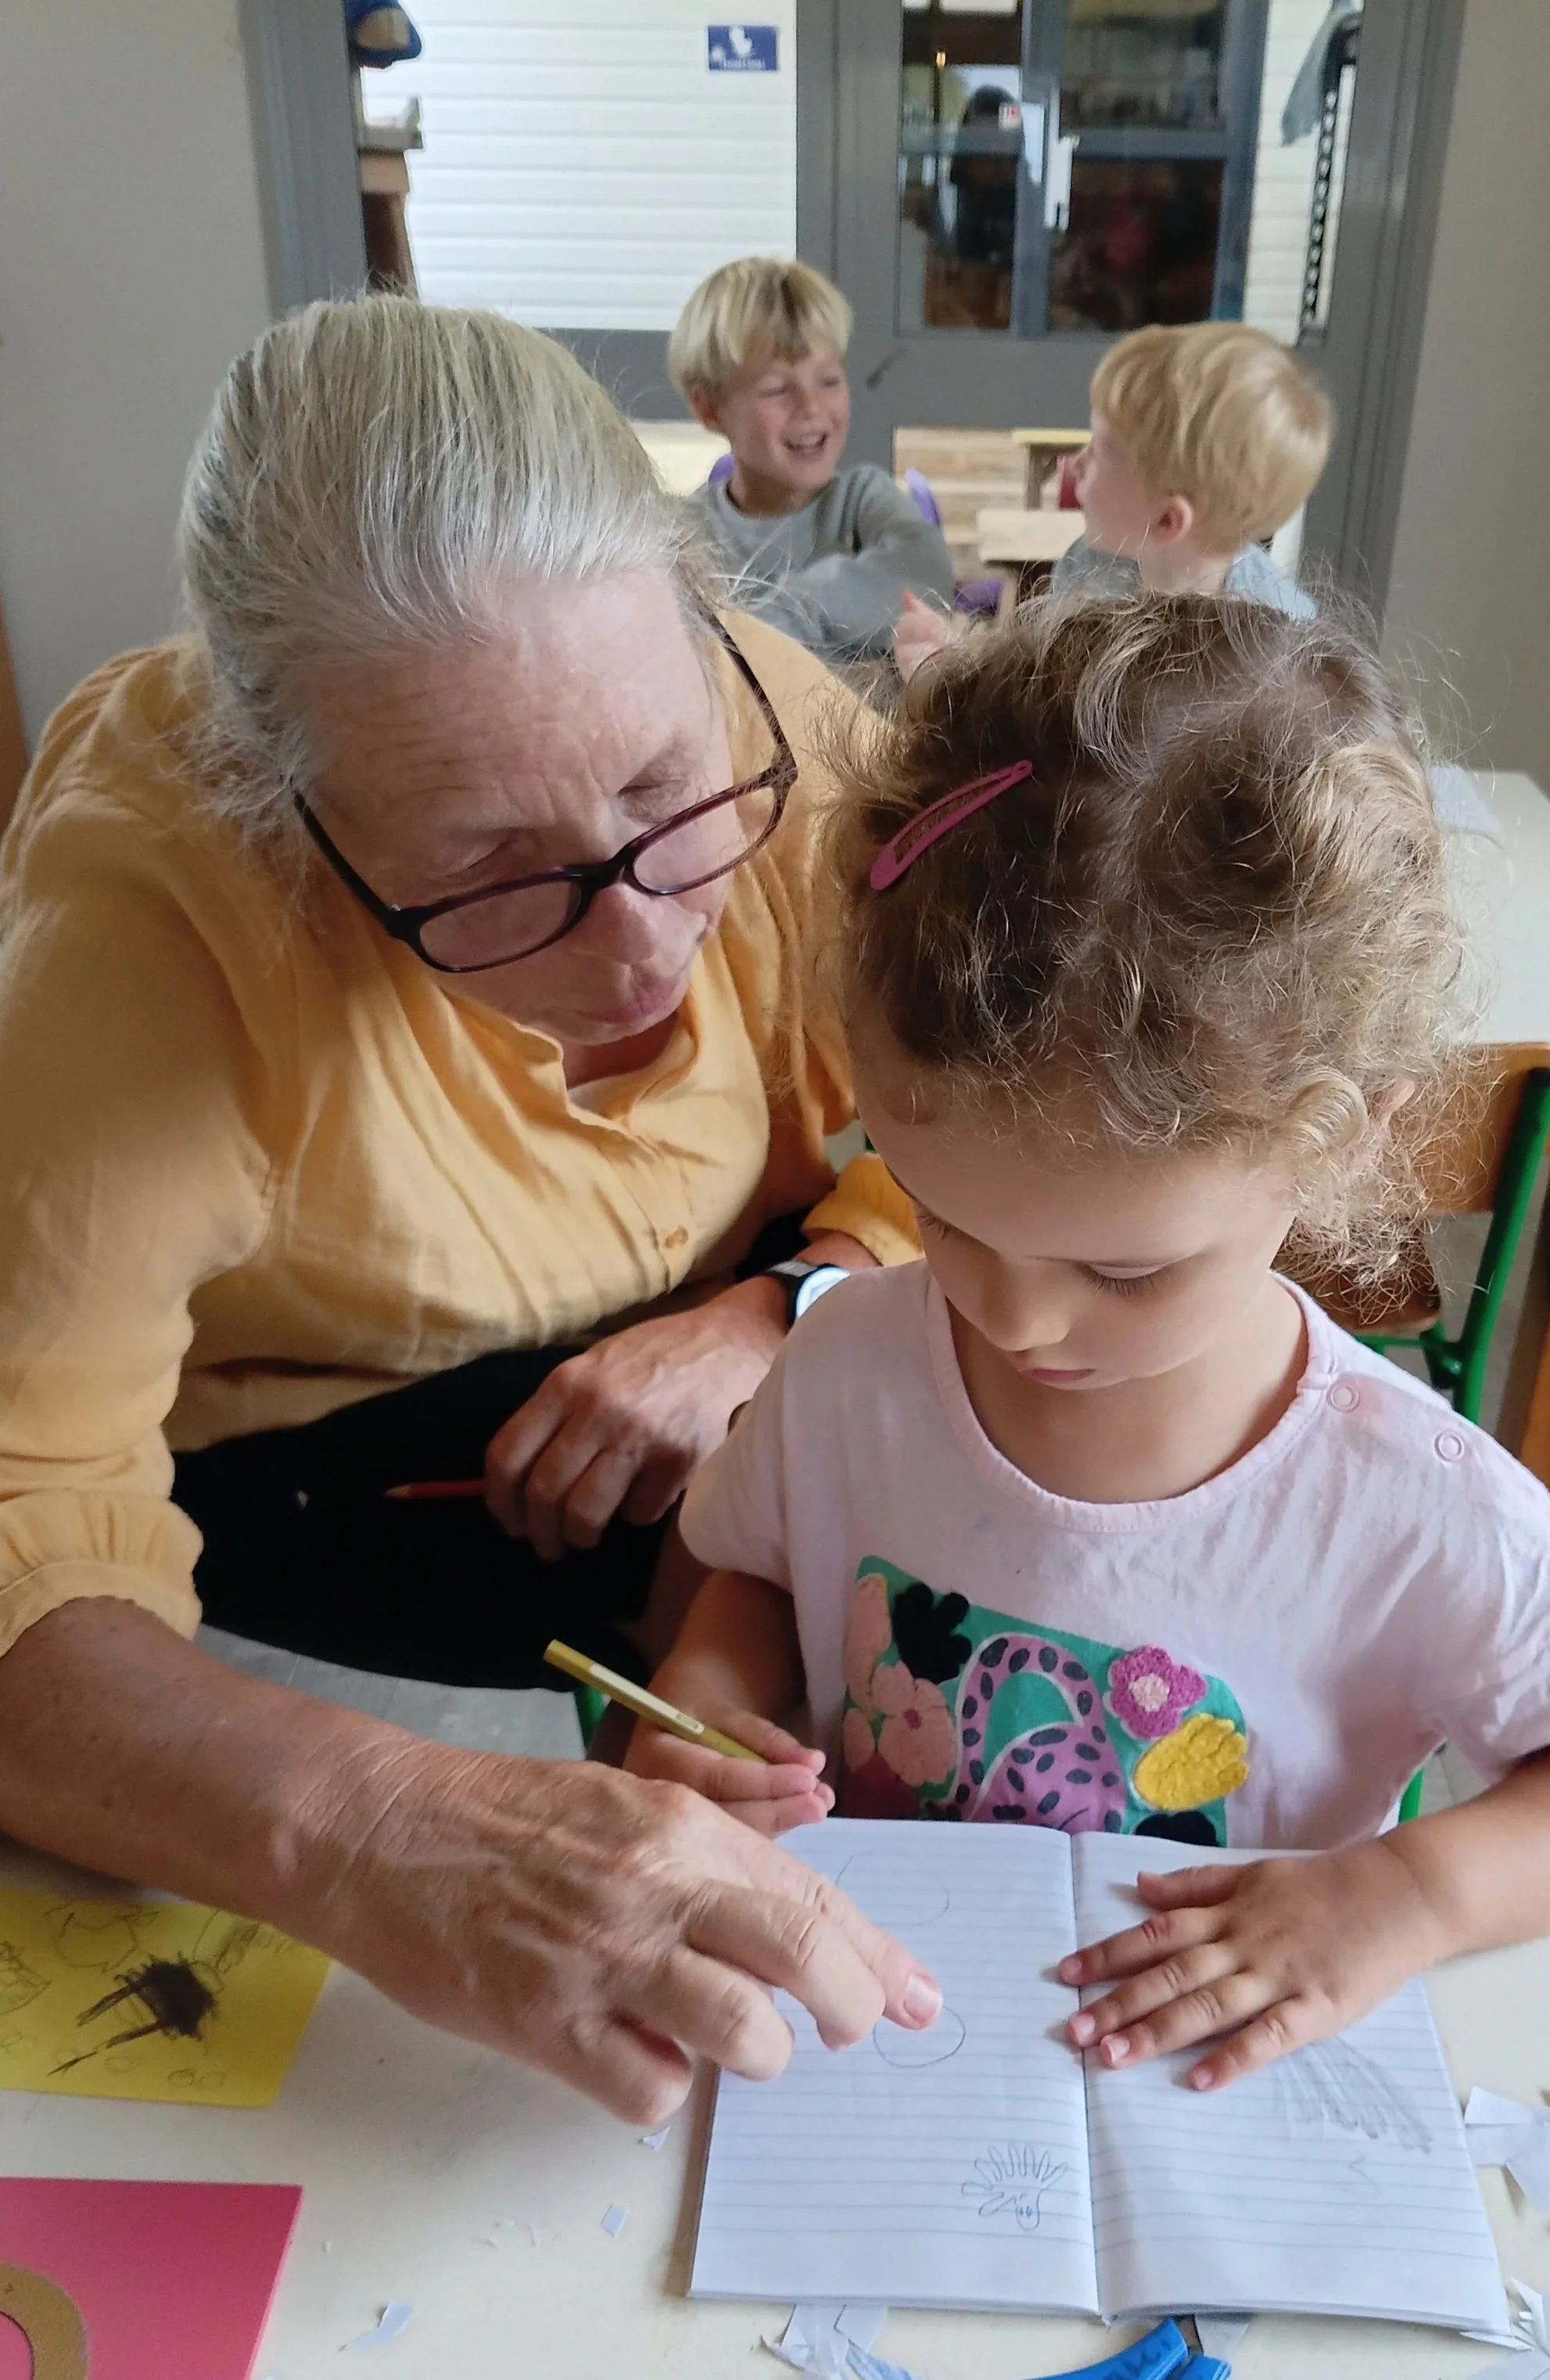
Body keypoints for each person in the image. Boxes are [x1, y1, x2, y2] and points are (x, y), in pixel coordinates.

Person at [0, 295, 942, 2120]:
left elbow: (989, 1103)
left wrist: (793, 1308)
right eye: (493, 878)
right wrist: (378, 1825)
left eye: (670, 795)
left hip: (732, 1513)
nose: (645, 937)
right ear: (291, 812)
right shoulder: (143, 949)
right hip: (316, 1583)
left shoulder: (771, 714)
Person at [626, 593, 1550, 2094]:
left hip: (1209, 2110)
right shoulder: (842, 1367)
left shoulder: (1407, 1501)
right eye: (941, 1216)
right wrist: (708, 1709)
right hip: (861, 2071)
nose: (1012, 1317)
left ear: (1345, 1131)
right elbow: (747, 1573)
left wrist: (1403, 1895)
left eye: (1123, 1267)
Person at [892, 321, 1333, 680]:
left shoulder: (1278, 650)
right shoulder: (1090, 565)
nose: (1077, 463)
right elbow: (1042, 686)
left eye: (1099, 451)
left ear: (1165, 521)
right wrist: (956, 663)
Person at [670, 257, 956, 669]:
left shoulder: (863, 501)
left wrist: (782, 618)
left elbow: (925, 571)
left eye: (829, 381)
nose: (811, 408)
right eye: (777, 389)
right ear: (711, 409)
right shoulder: (684, 535)